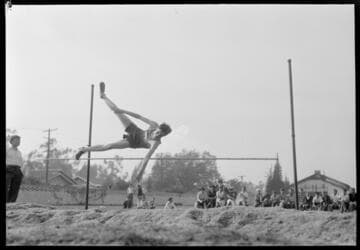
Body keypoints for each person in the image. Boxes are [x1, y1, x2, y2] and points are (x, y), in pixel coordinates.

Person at [75, 82, 172, 185]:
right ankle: (103, 96)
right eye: (158, 132)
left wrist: (140, 173)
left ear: (163, 136)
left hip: (132, 142)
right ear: (158, 128)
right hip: (135, 130)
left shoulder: (156, 143)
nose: (158, 135)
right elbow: (138, 116)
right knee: (117, 111)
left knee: (108, 146)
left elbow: (147, 158)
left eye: (161, 135)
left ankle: (83, 149)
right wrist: (123, 111)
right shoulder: (154, 125)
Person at [6, 135, 25, 203]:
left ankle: (12, 203)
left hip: (17, 170)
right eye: (16, 140)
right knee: (6, 186)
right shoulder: (7, 150)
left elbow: (21, 163)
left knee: (15, 188)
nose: (18, 141)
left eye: (19, 140)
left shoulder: (19, 152)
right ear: (11, 141)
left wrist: (21, 171)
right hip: (8, 169)